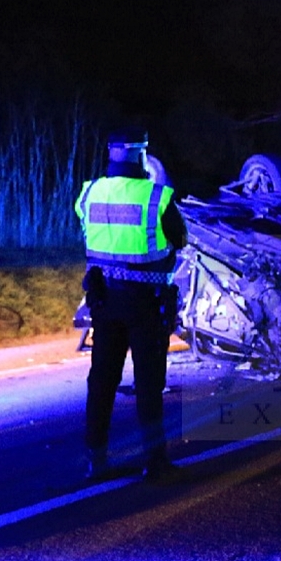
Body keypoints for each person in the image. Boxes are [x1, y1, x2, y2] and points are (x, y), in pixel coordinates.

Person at [75, 127, 188, 483]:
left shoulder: (90, 192)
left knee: (102, 379)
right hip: (145, 302)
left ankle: (96, 460)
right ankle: (154, 463)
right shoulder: (156, 195)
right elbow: (180, 239)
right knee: (148, 382)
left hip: (104, 300)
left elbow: (86, 229)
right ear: (142, 154)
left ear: (110, 154)